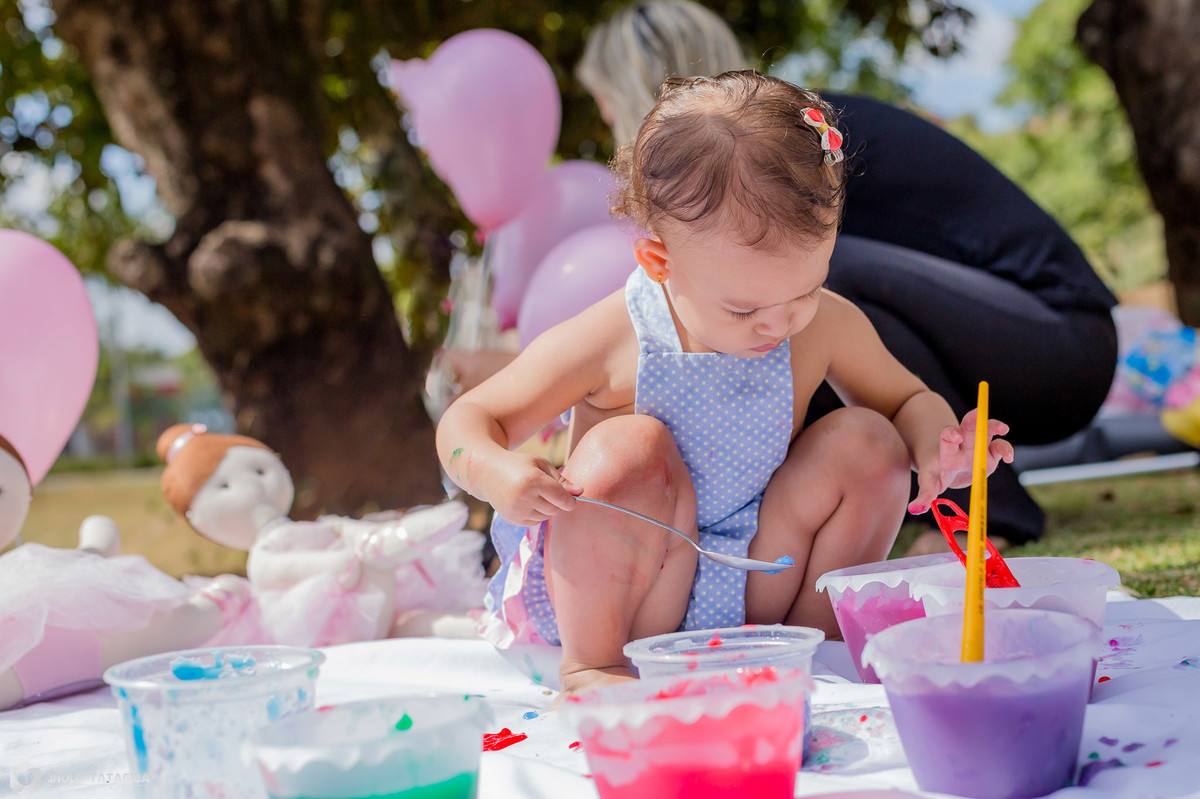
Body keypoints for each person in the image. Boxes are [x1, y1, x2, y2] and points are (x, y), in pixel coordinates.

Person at [436, 71, 1013, 697]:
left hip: (761, 574)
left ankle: (819, 648)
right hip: (633, 593)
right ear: (660, 262)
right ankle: (593, 668)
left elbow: (906, 400)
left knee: (871, 441)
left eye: (806, 289)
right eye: (743, 308)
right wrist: (496, 472)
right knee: (625, 451)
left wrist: (938, 445)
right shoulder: (615, 334)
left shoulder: (823, 324)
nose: (779, 324)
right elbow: (468, 421)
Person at [575, 0, 1119, 550]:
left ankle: (985, 512)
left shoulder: (790, 148)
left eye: (605, 99)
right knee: (782, 311)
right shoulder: (755, 158)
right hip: (995, 340)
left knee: (811, 295)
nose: (606, 117)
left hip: (1058, 343)